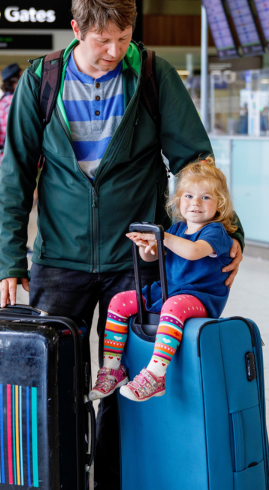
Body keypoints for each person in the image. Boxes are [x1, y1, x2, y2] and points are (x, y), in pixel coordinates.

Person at [0, 0, 244, 490]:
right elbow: (14, 174)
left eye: (124, 37)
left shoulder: (153, 75)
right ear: (77, 29)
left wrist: (232, 237)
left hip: (138, 260)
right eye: (104, 39)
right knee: (52, 383)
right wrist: (7, 262)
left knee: (124, 380)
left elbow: (196, 165)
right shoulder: (42, 79)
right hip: (58, 258)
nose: (115, 51)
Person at [90, 157, 236, 402]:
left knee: (173, 306)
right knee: (119, 302)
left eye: (205, 197)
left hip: (199, 298)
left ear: (219, 204)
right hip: (168, 292)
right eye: (188, 196)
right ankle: (113, 368)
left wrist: (161, 236)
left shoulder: (216, 232)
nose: (195, 203)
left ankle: (156, 374)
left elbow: (192, 251)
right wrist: (146, 245)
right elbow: (150, 257)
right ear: (178, 201)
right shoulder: (177, 230)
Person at [0, 63, 22, 148]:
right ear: (15, 81)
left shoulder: (3, 100)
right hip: (13, 154)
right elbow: (15, 131)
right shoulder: (11, 100)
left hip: (5, 153)